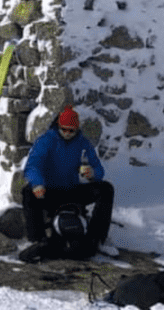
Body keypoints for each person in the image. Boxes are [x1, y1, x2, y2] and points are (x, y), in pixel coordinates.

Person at [19, 106, 114, 262]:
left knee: (106, 189)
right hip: (49, 191)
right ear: (58, 127)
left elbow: (98, 169)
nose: (68, 133)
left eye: (72, 130)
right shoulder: (46, 140)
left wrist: (93, 173)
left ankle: (96, 239)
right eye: (64, 130)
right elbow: (33, 165)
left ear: (77, 129)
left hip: (72, 191)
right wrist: (37, 183)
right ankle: (38, 240)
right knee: (28, 192)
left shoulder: (83, 143)